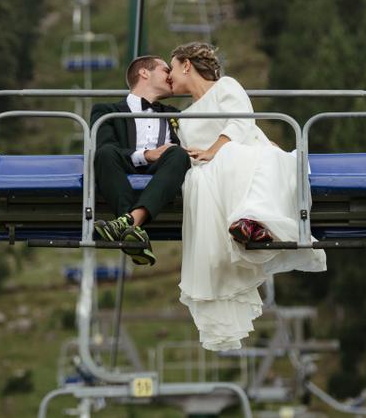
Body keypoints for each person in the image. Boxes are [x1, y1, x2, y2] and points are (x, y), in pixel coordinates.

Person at [167, 42, 327, 351]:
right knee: (201, 180)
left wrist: (215, 151)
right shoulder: (184, 116)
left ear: (186, 65)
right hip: (209, 170)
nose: (170, 77)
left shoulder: (227, 87)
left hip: (243, 154)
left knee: (232, 158)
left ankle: (251, 219)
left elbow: (241, 123)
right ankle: (245, 227)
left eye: (172, 68)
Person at [89, 55, 190, 266]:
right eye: (165, 70)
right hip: (124, 164)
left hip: (163, 169)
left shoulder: (176, 114)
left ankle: (127, 223)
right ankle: (134, 227)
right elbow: (104, 145)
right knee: (105, 153)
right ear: (144, 72)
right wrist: (146, 155)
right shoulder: (106, 111)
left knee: (179, 154)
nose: (171, 76)